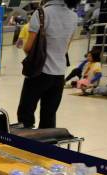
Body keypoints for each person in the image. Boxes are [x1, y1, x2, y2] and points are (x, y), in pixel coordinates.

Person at [16, 0, 79, 129]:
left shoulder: (41, 13)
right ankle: (44, 147)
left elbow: (28, 47)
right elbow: (66, 48)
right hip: (59, 76)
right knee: (49, 116)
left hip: (39, 73)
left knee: (26, 114)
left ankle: (26, 145)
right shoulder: (74, 16)